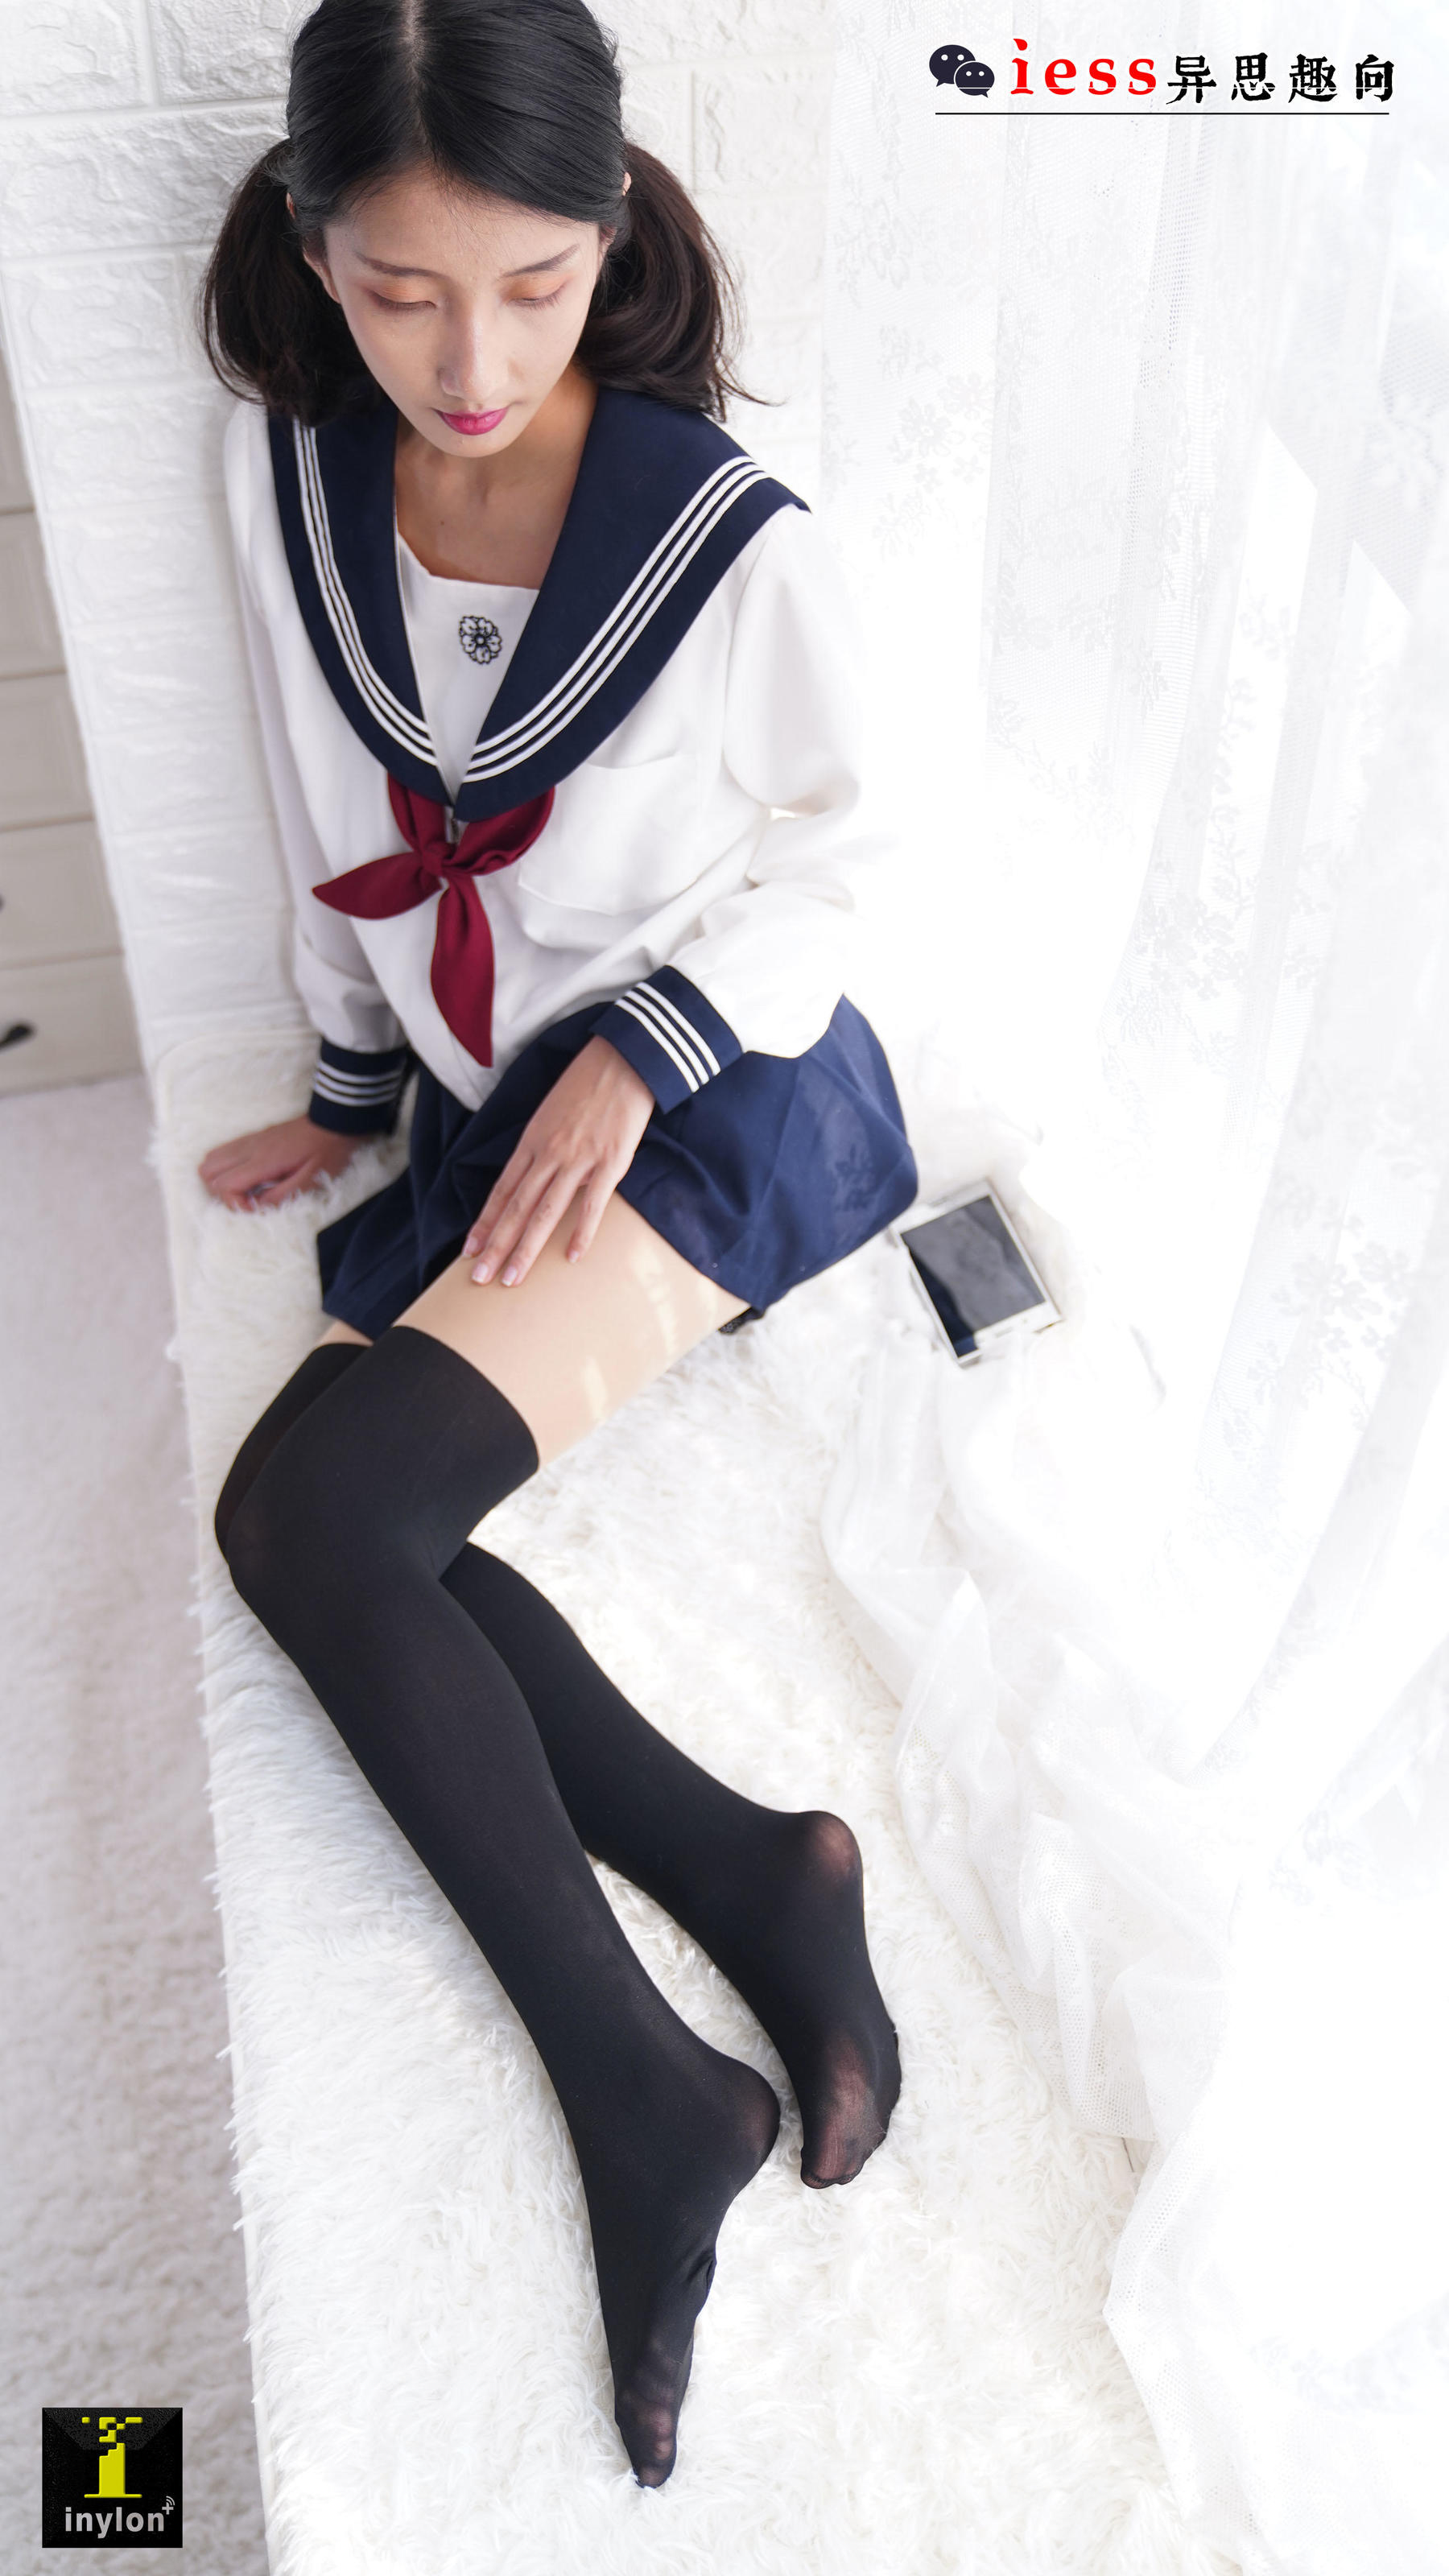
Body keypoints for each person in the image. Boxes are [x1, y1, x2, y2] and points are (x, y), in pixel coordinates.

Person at [199, 0, 918, 2487]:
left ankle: (647, 2087)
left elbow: (855, 857)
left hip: (720, 1107)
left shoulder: (729, 541)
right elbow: (331, 815)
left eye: (531, 285)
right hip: (499, 1112)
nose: (473, 358)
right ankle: (752, 1885)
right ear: (320, 253)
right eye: (404, 293)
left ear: (609, 237)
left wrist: (644, 1048)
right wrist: (351, 1098)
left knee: (317, 1517)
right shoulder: (297, 478)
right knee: (322, 1523)